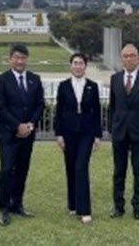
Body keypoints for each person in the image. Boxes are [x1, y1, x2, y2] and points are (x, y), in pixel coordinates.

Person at [0, 43, 45, 226]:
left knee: (22, 170)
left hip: (28, 135)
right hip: (8, 135)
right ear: (10, 59)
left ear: (27, 59)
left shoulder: (34, 79)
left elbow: (40, 105)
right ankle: (4, 208)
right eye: (16, 57)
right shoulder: (1, 80)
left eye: (23, 58)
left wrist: (29, 125)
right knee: (7, 170)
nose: (20, 61)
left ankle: (17, 203)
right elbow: (1, 107)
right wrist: (17, 126)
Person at [108, 44, 139, 220]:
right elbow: (112, 107)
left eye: (132, 56)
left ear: (138, 58)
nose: (129, 59)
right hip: (119, 132)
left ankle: (138, 208)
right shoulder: (115, 79)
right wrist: (111, 128)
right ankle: (118, 207)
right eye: (126, 56)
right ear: (122, 59)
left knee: (138, 171)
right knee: (119, 171)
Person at [54, 53, 101, 224]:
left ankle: (84, 209)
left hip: (86, 133)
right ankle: (73, 204)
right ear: (70, 66)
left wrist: (97, 135)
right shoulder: (63, 86)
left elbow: (97, 112)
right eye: (75, 63)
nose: (78, 66)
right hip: (68, 132)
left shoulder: (92, 86)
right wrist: (58, 134)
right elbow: (58, 111)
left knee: (81, 167)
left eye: (81, 63)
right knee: (71, 167)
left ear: (85, 66)